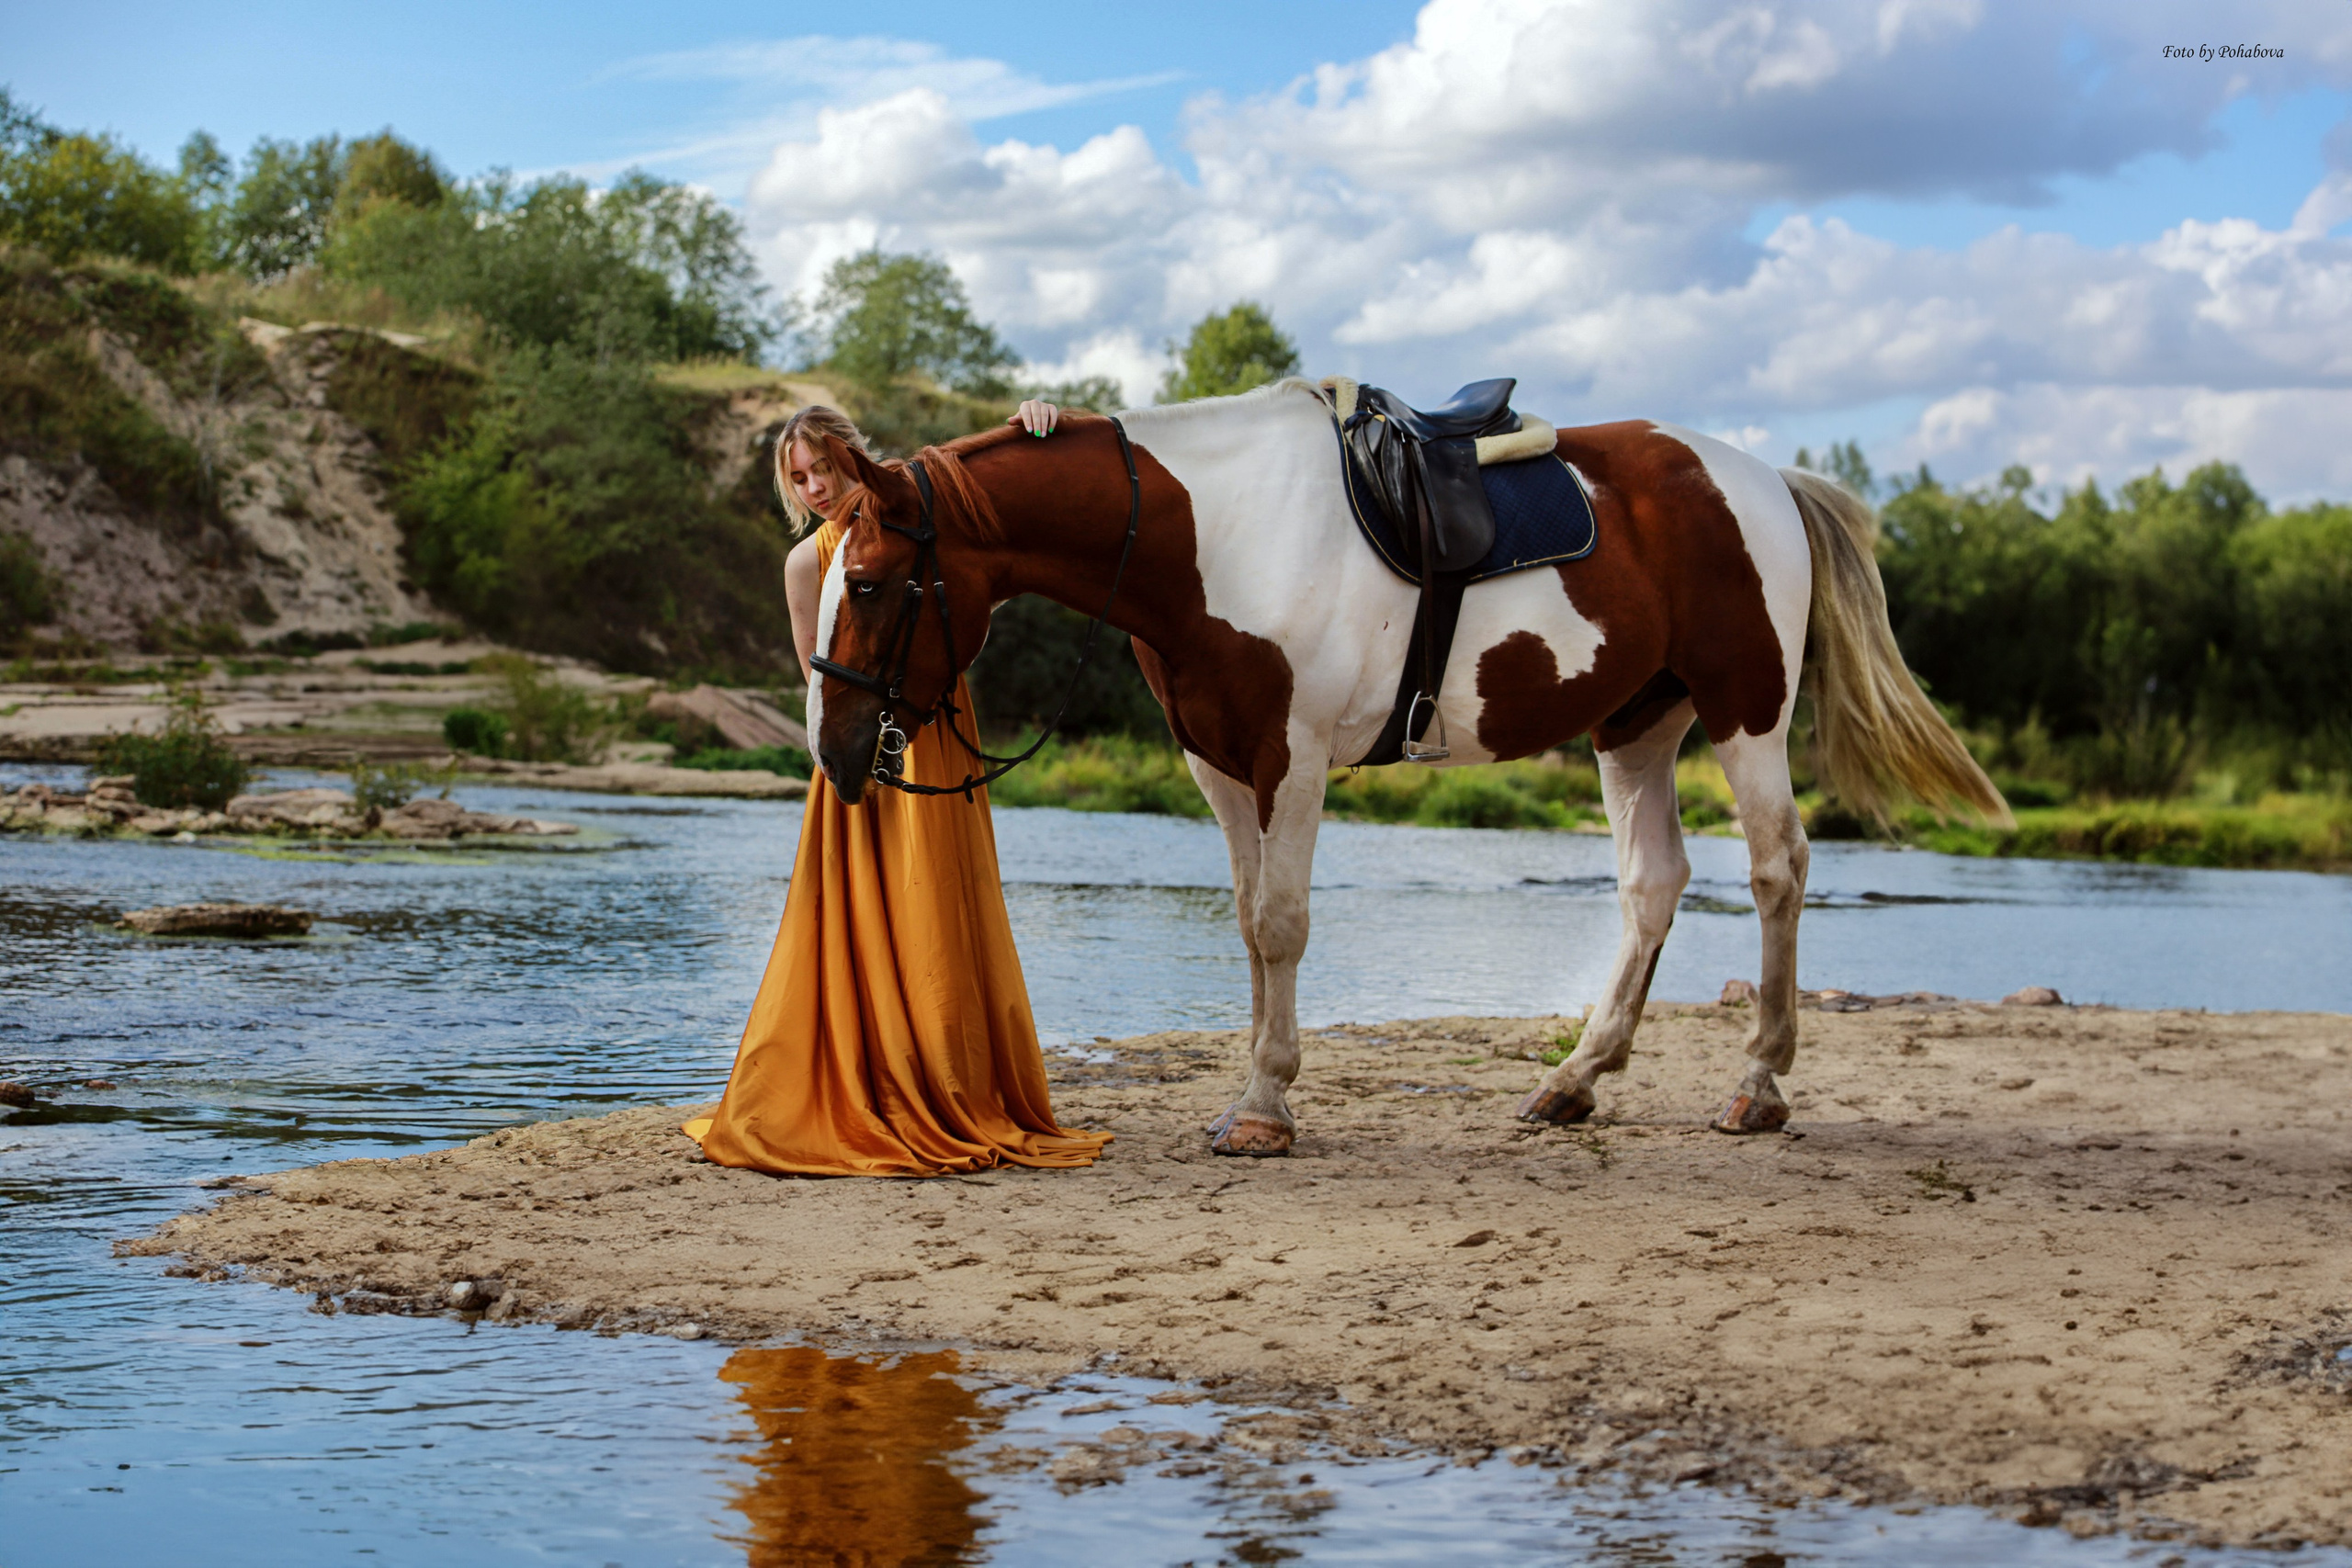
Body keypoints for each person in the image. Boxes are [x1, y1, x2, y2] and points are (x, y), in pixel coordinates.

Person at [683, 400, 1112, 1176]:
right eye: (798, 477)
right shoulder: (805, 563)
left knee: (944, 905)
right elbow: (823, 686)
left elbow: (1002, 546)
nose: (814, 486)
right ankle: (876, 1084)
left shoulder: (920, 520)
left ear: (851, 453)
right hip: (864, 751)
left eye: (821, 465)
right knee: (870, 918)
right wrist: (854, 753)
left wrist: (1035, 421)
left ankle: (955, 1082)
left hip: (939, 730)